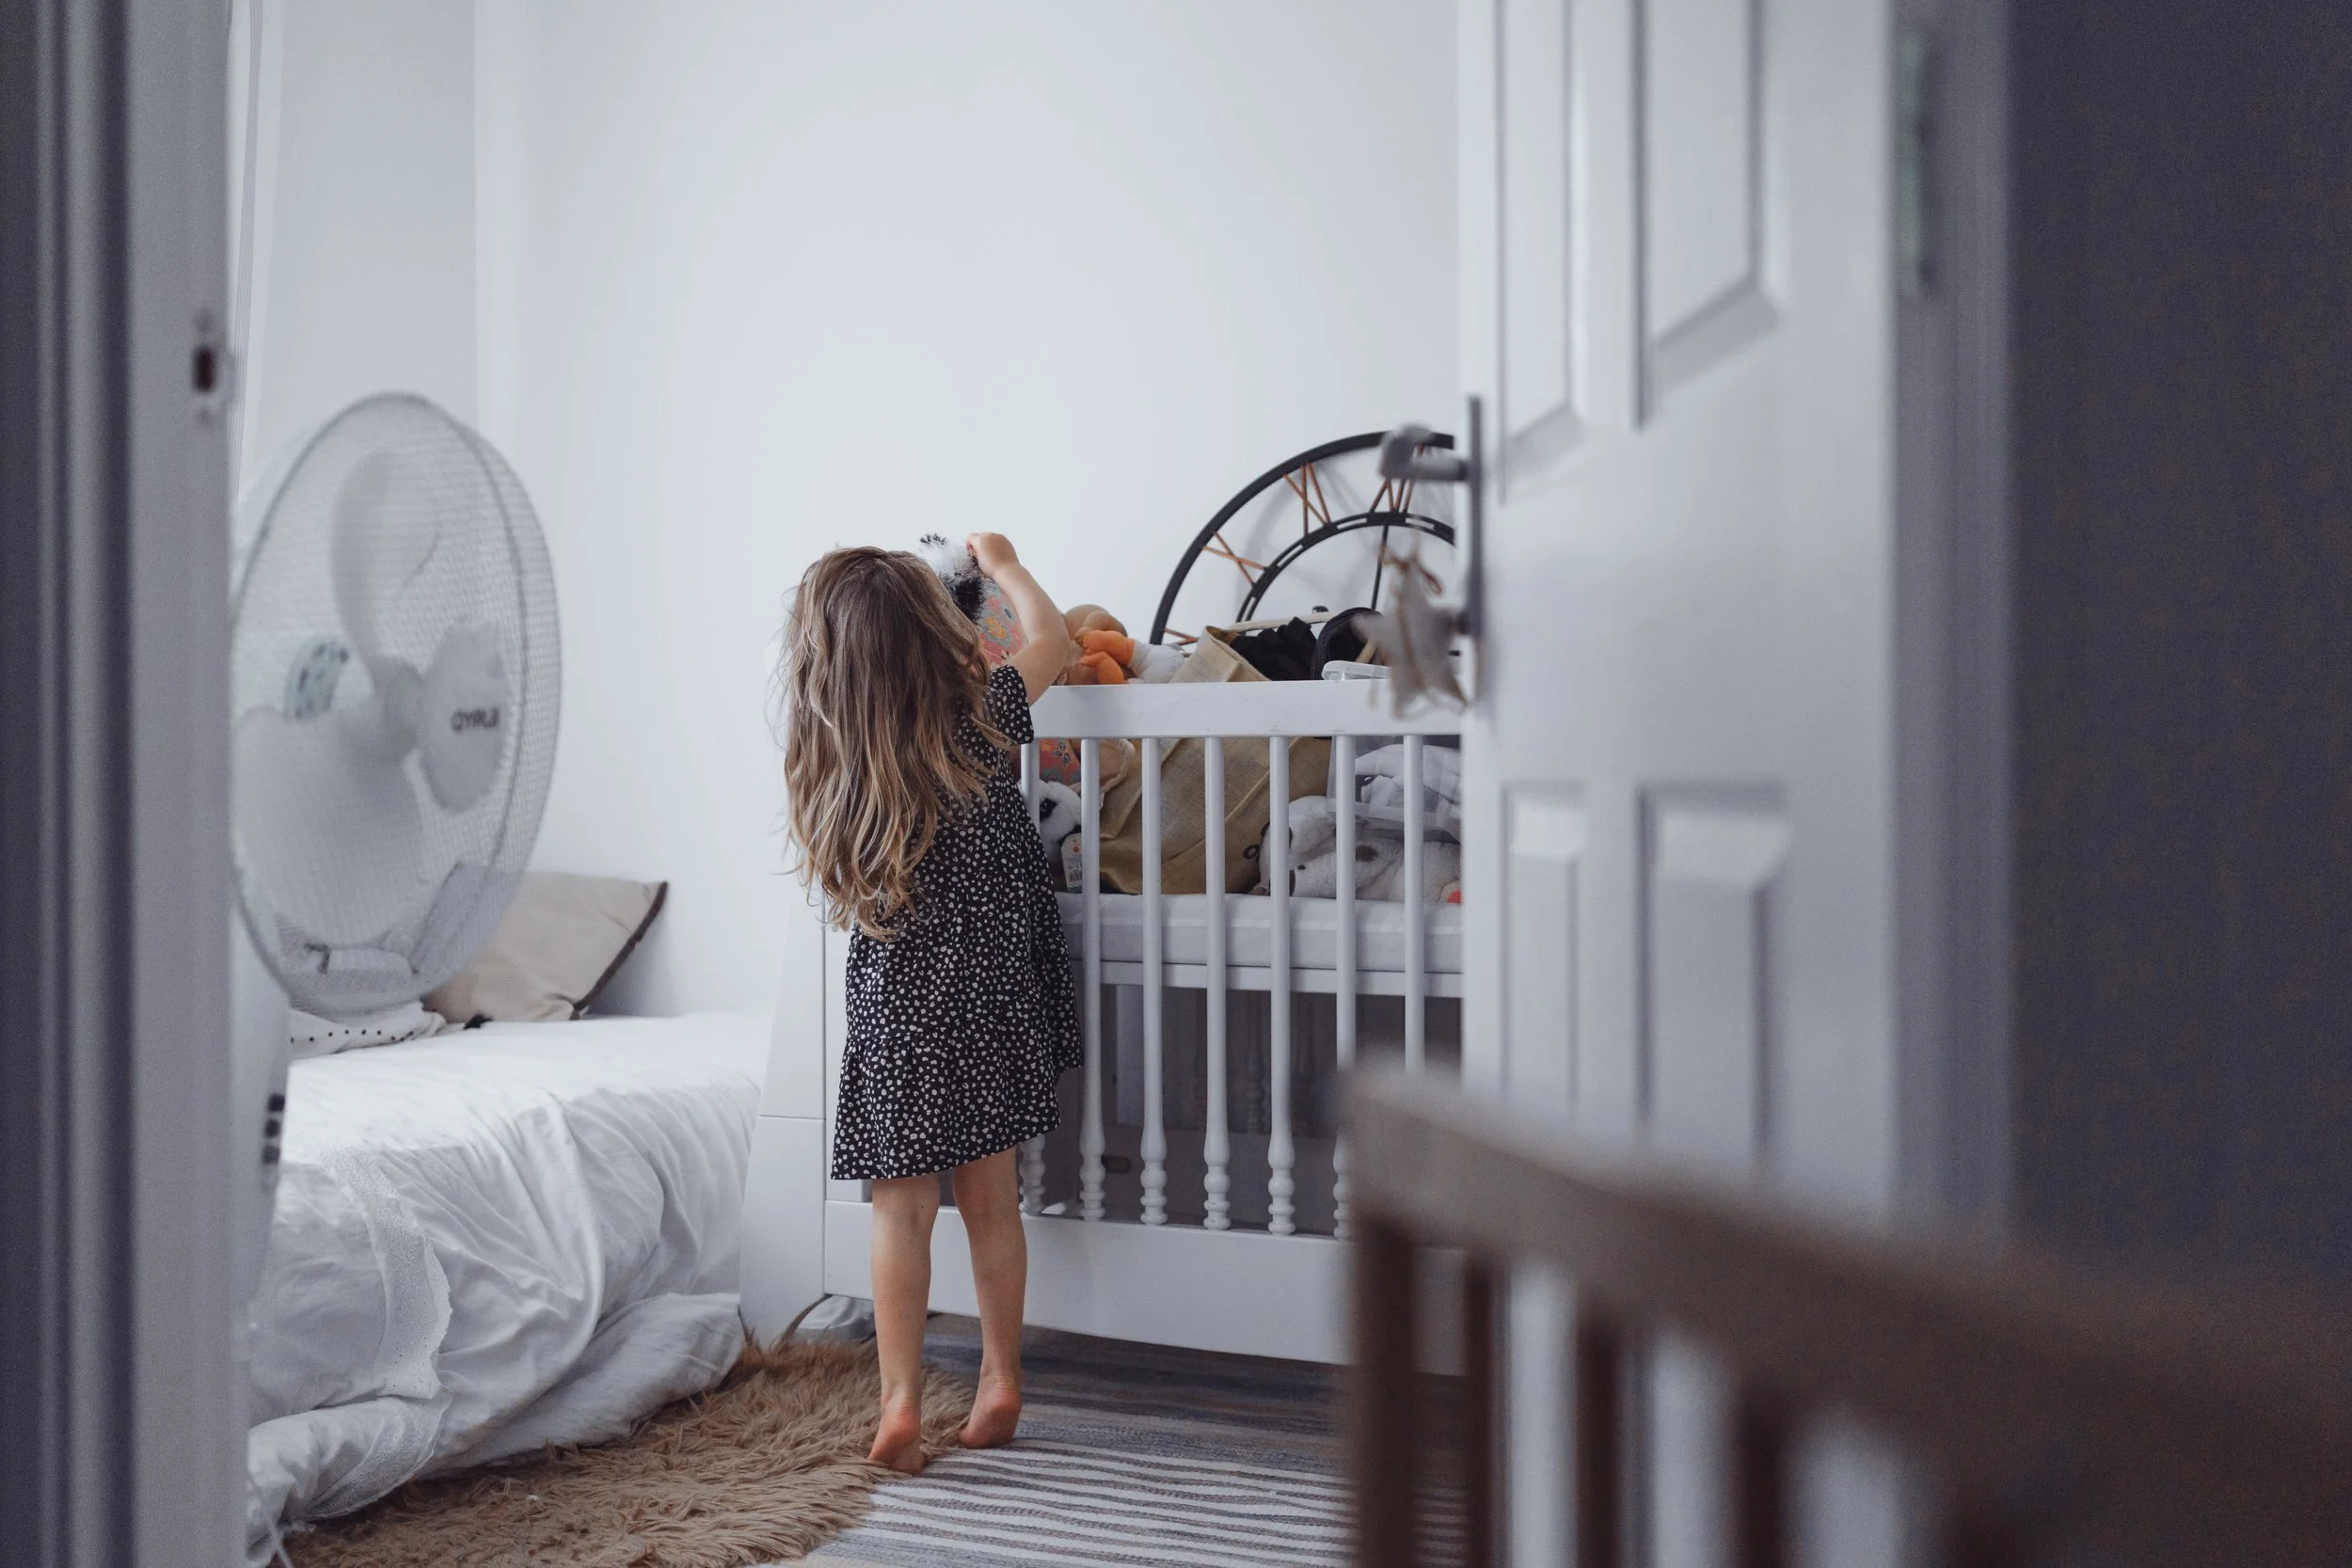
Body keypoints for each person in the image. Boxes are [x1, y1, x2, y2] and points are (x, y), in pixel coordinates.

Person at [778, 534, 1082, 1473]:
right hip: (988, 995)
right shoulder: (982, 712)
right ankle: (998, 1377)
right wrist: (1003, 565)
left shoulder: (829, 753)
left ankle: (900, 1398)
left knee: (898, 1212)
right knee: (991, 1204)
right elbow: (1058, 640)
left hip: (896, 1010)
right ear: (932, 637)